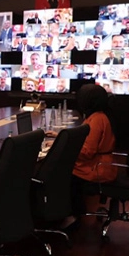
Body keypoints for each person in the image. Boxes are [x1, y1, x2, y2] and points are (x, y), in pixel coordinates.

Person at [47, 84, 117, 231]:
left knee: (60, 174)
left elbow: (87, 152)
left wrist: (61, 145)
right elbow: (82, 139)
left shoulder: (96, 120)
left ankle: (71, 215)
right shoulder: (97, 116)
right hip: (98, 164)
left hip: (96, 168)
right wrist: (60, 137)